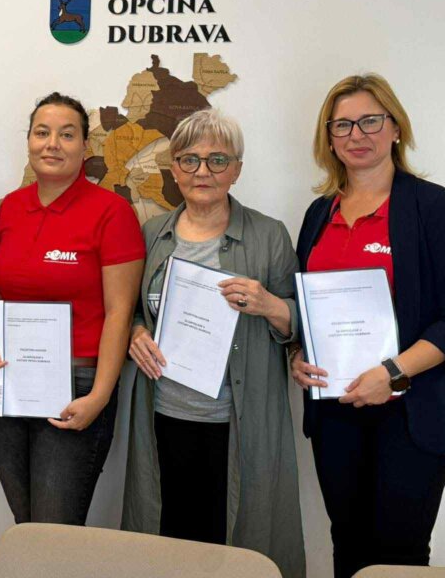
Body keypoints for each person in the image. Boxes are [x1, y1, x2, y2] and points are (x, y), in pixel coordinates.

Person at [291, 74, 445, 578]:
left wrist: (393, 373)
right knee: (347, 544)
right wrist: (299, 355)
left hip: (413, 412)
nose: (357, 135)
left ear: (396, 128)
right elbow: (308, 307)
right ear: (329, 137)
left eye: (370, 121)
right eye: (342, 125)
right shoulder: (318, 213)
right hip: (336, 412)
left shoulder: (430, 205)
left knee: (398, 556)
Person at [120, 108, 305, 578]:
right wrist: (136, 333)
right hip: (164, 416)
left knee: (234, 547)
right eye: (190, 159)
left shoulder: (269, 235)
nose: (203, 171)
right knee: (170, 543)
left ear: (236, 169)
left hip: (238, 423)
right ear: (174, 168)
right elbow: (135, 309)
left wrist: (269, 304)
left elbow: (300, 323)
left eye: (218, 160)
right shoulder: (153, 234)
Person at [0, 92, 144, 525]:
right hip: (9, 381)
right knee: (26, 524)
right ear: (29, 141)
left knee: (56, 528)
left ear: (85, 147)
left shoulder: (112, 213)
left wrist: (99, 396)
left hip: (77, 386)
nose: (52, 144)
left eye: (67, 135)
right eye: (42, 133)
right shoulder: (11, 208)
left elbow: (120, 312)